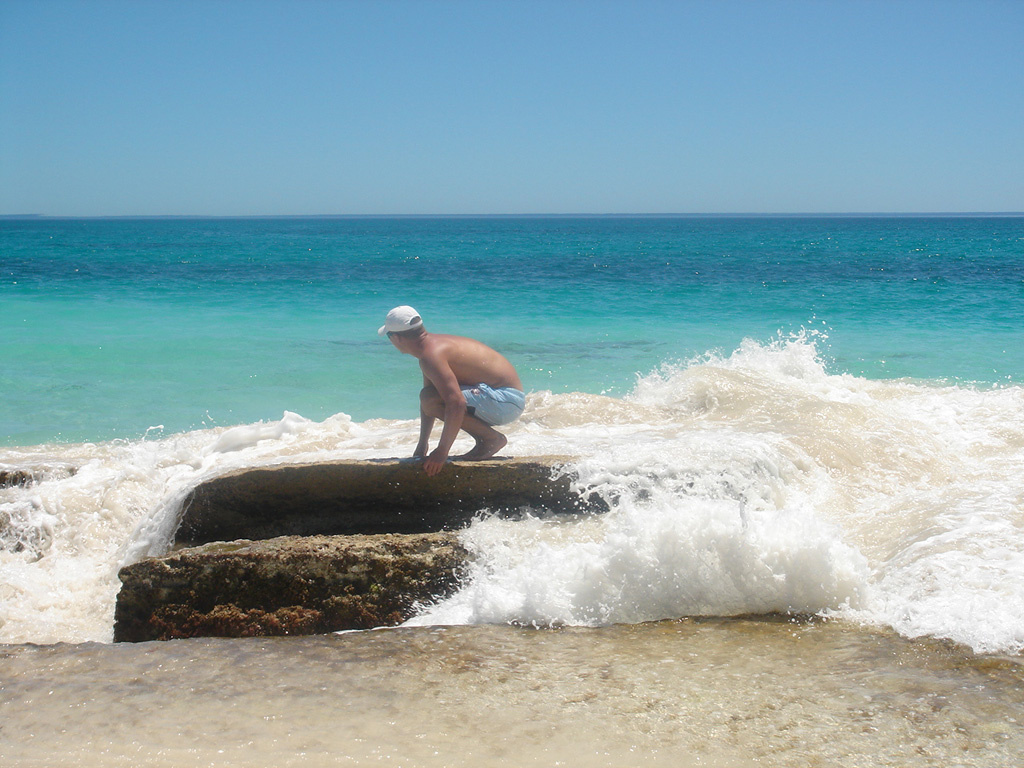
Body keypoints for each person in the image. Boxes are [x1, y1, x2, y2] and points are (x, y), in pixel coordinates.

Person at [379, 305, 525, 476]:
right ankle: (484, 438)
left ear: (396, 338)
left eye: (389, 336)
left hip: (506, 401)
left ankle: (491, 439)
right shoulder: (430, 350)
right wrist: (422, 445)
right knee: (429, 396)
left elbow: (456, 403)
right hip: (501, 399)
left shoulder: (431, 356)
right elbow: (428, 397)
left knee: (435, 399)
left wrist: (442, 452)